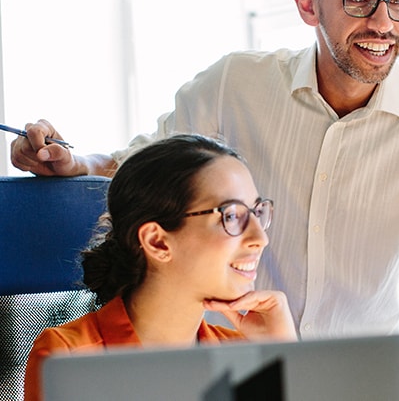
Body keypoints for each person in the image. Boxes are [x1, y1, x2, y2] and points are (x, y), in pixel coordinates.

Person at [12, 0, 399, 388]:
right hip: (236, 368)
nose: (383, 23)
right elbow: (152, 163)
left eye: (397, 1)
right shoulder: (236, 83)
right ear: (307, 4)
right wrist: (76, 164)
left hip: (348, 380)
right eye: (360, 1)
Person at [23, 134, 297, 401]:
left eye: (257, 213)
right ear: (158, 242)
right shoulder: (69, 358)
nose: (261, 238)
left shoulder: (242, 353)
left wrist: (284, 356)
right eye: (232, 216)